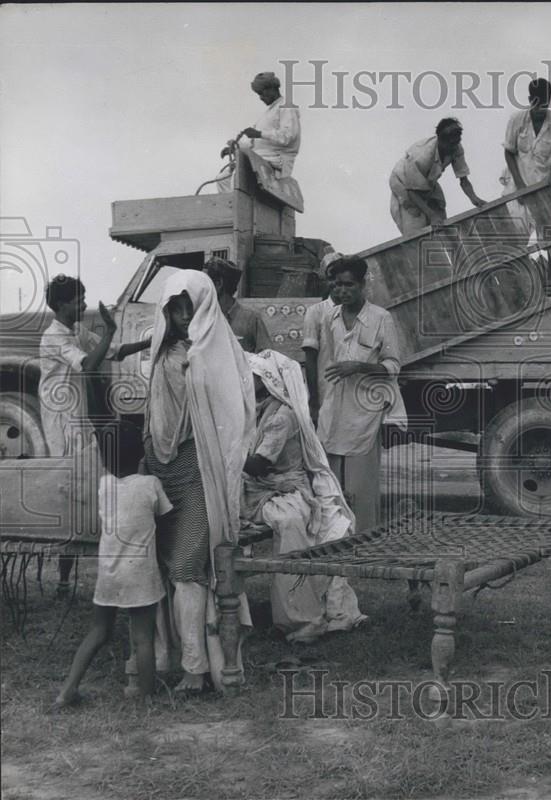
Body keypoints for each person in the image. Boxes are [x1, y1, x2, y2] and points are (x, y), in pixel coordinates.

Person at [143, 270, 255, 693]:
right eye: (176, 307)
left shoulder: (218, 354)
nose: (185, 315)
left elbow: (235, 419)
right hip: (161, 471)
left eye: (191, 306)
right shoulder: (161, 354)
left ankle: (197, 670)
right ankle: (172, 659)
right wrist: (149, 458)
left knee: (190, 567)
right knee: (167, 568)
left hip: (200, 472)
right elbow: (153, 416)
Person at [242, 350, 368, 642]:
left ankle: (302, 618)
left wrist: (224, 453)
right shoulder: (260, 408)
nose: (246, 379)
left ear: (267, 380)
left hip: (286, 489)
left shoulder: (282, 416)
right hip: (264, 488)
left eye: (253, 375)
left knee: (291, 524)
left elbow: (259, 464)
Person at [39, 275, 150, 595]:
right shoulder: (53, 337)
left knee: (92, 490)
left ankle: (102, 571)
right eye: (78, 299)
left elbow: (113, 352)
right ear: (61, 304)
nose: (84, 305)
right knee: (72, 495)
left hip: (81, 420)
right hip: (62, 422)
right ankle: (63, 578)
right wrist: (111, 330)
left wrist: (150, 342)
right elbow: (89, 364)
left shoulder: (75, 331)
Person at [55, 421, 173, 707]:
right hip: (139, 573)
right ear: (142, 456)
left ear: (105, 460)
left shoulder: (104, 486)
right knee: (143, 637)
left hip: (109, 573)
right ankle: (146, 698)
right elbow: (166, 515)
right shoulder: (151, 485)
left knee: (98, 632)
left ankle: (67, 691)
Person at [302, 257, 405, 534]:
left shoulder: (381, 318)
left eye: (348, 284)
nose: (341, 290)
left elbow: (393, 366)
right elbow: (320, 360)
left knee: (361, 490)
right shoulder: (329, 318)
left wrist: (359, 366)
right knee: (331, 487)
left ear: (362, 285)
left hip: (364, 416)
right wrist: (315, 402)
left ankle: (363, 545)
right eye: (336, 285)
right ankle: (334, 544)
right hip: (333, 410)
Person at [389, 118, 487, 235]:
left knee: (441, 219)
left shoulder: (456, 147)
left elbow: (464, 180)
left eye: (457, 142)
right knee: (417, 228)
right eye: (452, 144)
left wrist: (475, 199)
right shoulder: (421, 155)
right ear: (441, 141)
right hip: (403, 186)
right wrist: (431, 216)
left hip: (428, 182)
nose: (455, 147)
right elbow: (411, 192)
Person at [499, 77, 551, 237]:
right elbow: (509, 151)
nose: (540, 109)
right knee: (516, 233)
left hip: (544, 186)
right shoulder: (517, 120)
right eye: (537, 104)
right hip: (518, 186)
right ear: (530, 100)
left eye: (545, 104)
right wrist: (521, 186)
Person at [221, 71, 301, 178]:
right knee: (222, 178)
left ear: (272, 89)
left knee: (239, 174)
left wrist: (259, 133)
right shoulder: (270, 112)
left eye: (261, 93)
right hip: (263, 156)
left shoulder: (286, 107)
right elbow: (257, 144)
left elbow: (287, 137)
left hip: (278, 159)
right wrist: (237, 147)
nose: (260, 97)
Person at [202, 257, 273, 353]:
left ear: (218, 284)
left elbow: (268, 358)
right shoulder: (202, 318)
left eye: (204, 282)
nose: (200, 288)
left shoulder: (251, 319)